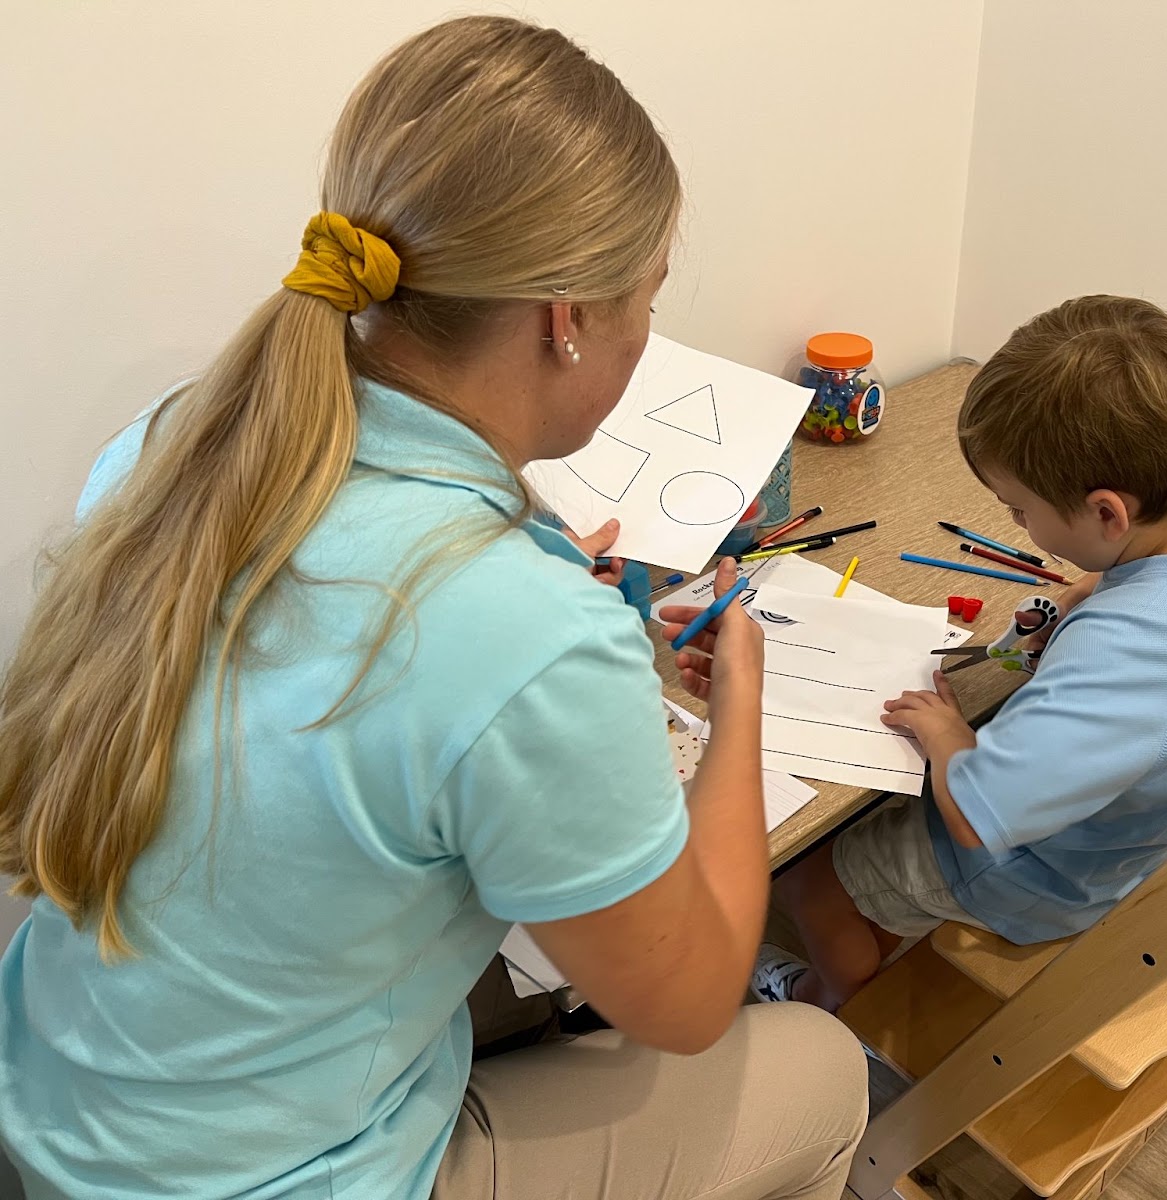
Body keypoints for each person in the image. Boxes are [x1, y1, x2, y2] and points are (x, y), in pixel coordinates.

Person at [0, 17, 865, 1199]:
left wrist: (532, 591)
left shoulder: (175, 444)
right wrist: (742, 705)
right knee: (818, 1068)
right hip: (270, 1179)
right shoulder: (519, 632)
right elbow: (691, 998)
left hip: (59, 1120)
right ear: (565, 318)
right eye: (647, 302)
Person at [756, 295, 1167, 1011]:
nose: (1016, 523)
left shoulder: (1134, 655)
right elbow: (1142, 602)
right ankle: (879, 930)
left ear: (1107, 513)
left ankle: (827, 1001)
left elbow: (975, 814)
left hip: (1053, 873)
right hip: (1148, 826)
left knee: (803, 875)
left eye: (1018, 510)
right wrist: (1097, 583)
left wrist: (949, 735)